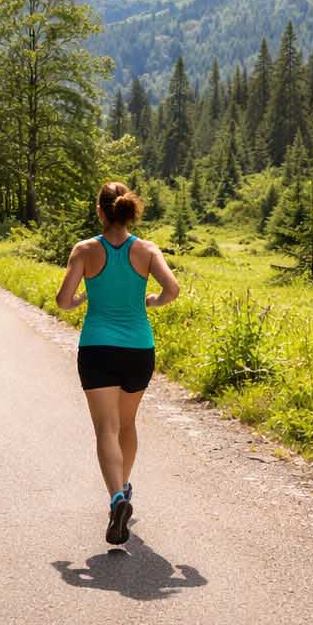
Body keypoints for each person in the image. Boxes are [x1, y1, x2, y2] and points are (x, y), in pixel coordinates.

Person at [56, 182, 179, 545]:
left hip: (97, 348)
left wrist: (80, 299)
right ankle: (123, 488)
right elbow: (172, 289)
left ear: (100, 211)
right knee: (127, 424)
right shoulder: (146, 250)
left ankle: (116, 499)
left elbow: (63, 300)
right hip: (139, 349)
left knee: (106, 429)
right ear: (128, 211)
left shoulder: (85, 250)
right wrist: (152, 301)